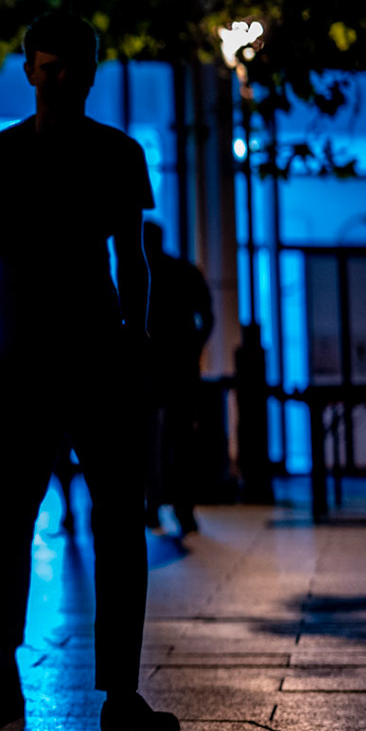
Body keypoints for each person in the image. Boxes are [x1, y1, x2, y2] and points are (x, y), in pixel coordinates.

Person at [0, 11, 179, 731]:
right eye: (52, 67)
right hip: (59, 354)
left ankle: (36, 673)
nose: (61, 79)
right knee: (64, 517)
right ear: (34, 70)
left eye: (68, 67)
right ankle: (67, 679)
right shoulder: (105, 154)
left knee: (35, 515)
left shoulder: (4, 157)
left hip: (50, 354)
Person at [141, 222, 214, 535]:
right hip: (180, 370)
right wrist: (192, 349)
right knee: (181, 442)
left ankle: (154, 507)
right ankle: (183, 510)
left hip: (149, 370)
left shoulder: (139, 275)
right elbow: (207, 318)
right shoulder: (185, 272)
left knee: (148, 442)